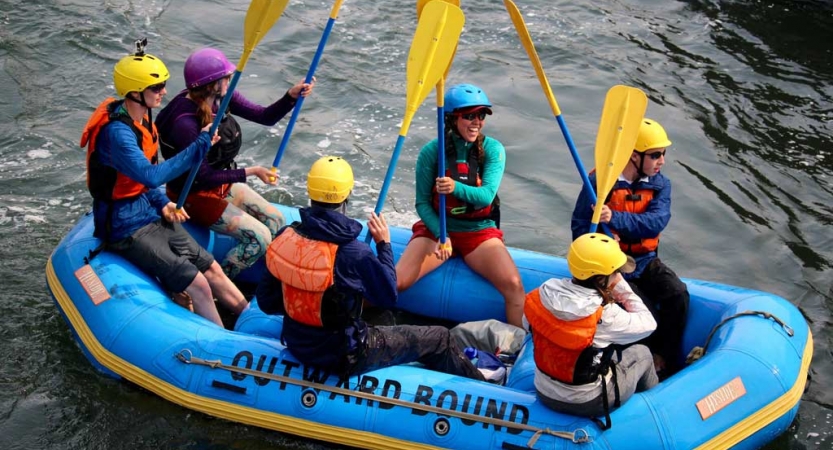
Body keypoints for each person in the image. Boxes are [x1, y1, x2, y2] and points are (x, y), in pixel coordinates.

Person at [256, 156, 483, 380]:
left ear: (310, 191)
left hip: (297, 342)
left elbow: (267, 302)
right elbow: (387, 295)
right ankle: (483, 391)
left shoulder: (286, 236)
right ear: (347, 195)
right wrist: (384, 244)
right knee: (440, 338)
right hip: (345, 355)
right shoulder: (354, 252)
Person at [79, 39, 248, 327]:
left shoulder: (145, 119)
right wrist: (200, 144)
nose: (164, 92)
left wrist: (164, 203)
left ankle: (252, 323)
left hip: (148, 212)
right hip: (124, 227)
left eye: (163, 85)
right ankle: (223, 342)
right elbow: (152, 176)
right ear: (134, 92)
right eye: (157, 88)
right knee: (199, 284)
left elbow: (146, 185)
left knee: (213, 269)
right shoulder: (118, 135)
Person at [156, 47, 314, 279]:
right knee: (258, 238)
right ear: (211, 84)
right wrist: (251, 172)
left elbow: (265, 116)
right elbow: (202, 177)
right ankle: (221, 285)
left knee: (276, 220)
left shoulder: (222, 98)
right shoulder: (185, 124)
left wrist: (290, 96)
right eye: (226, 77)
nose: (231, 80)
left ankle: (266, 279)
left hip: (220, 184)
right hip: (193, 195)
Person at [395, 83, 525, 328]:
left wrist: (455, 188)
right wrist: (441, 234)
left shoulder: (493, 150)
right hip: (438, 230)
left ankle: (514, 349)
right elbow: (422, 203)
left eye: (481, 115)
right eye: (469, 116)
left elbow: (486, 196)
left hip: (478, 233)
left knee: (515, 286)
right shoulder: (432, 152)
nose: (477, 122)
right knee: (397, 282)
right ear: (452, 118)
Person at [571, 118, 689, 377]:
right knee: (642, 313)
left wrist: (614, 218)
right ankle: (639, 365)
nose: (662, 161)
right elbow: (579, 226)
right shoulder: (600, 182)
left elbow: (656, 222)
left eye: (663, 154)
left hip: (645, 261)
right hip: (614, 268)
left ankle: (663, 358)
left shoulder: (660, 185)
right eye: (656, 155)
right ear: (634, 157)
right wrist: (600, 242)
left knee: (678, 294)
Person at [524, 233, 658, 429]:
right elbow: (648, 324)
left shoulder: (542, 295)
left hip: (544, 391)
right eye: (616, 272)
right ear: (601, 279)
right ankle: (657, 409)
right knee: (642, 354)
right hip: (587, 402)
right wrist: (621, 288)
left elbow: (526, 325)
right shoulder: (606, 315)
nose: (618, 275)